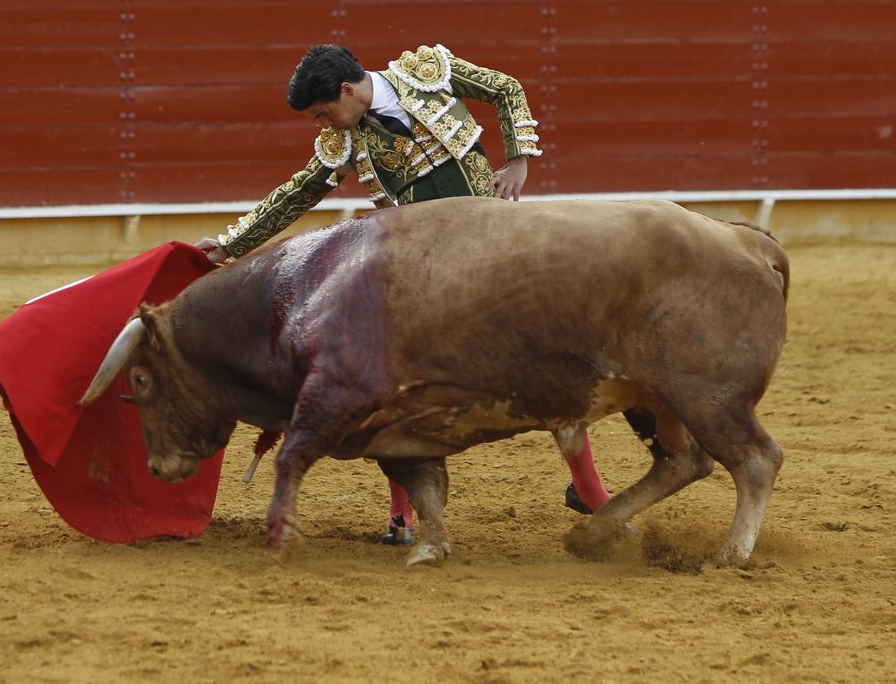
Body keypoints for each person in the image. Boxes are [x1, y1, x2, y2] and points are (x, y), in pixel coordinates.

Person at [195, 43, 614, 542]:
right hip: (423, 271)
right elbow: (300, 191)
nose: (324, 124)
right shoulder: (344, 140)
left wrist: (519, 159)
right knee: (393, 379)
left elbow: (506, 88)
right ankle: (402, 513)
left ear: (348, 91)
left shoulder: (427, 73)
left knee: (548, 354)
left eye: (324, 112)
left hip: (494, 250)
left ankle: (587, 487)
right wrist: (230, 245)